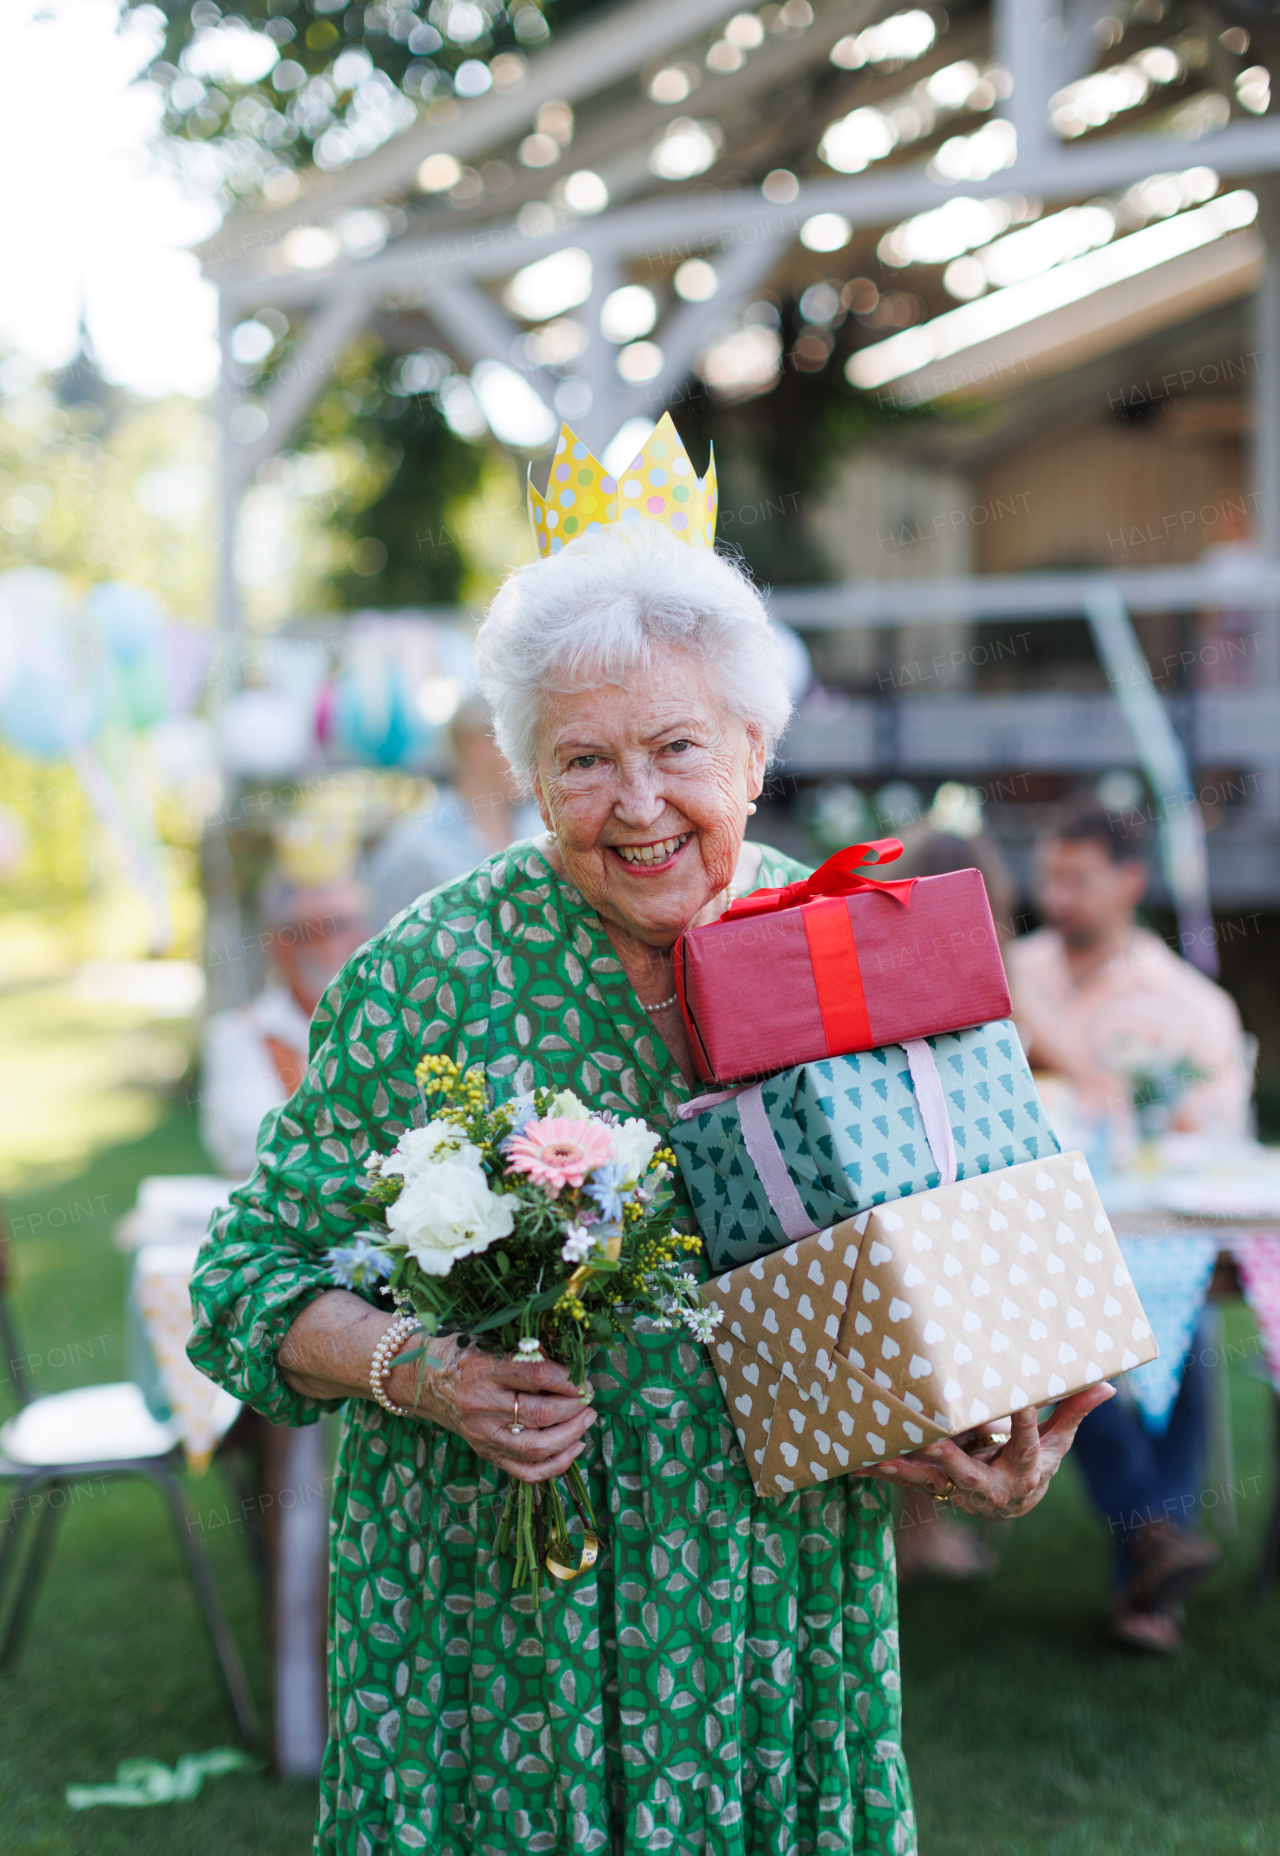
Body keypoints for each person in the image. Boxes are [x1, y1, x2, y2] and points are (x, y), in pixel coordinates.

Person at [188, 425, 1111, 1856]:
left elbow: (1003, 1274)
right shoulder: (426, 974)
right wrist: (423, 1372)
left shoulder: (863, 950)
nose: (636, 805)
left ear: (754, 747)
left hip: (766, 1598)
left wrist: (1017, 1440)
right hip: (489, 1619)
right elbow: (246, 1276)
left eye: (677, 748)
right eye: (582, 760)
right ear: (525, 770)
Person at [1008, 806, 1250, 1653]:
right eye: (1049, 878)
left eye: (1076, 880)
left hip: (1149, 1225)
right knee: (1072, 1311)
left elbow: (1217, 1132)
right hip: (1032, 1232)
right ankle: (1155, 1558)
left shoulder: (1189, 1003)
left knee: (1167, 1299)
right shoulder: (1010, 972)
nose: (1056, 897)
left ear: (1130, 883)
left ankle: (1150, 1556)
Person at [886, 821, 1016, 1587]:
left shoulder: (882, 969)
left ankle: (925, 1525)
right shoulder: (984, 972)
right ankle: (929, 1526)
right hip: (970, 1212)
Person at [200, 869, 371, 1180]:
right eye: (314, 930)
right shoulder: (239, 1035)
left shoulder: (381, 1024)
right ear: (281, 943)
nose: (337, 944)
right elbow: (250, 1143)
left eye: (345, 925)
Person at [366, 691, 542, 930]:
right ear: (473, 744)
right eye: (518, 741)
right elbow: (382, 934)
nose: (532, 757)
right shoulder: (418, 843)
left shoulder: (540, 829)